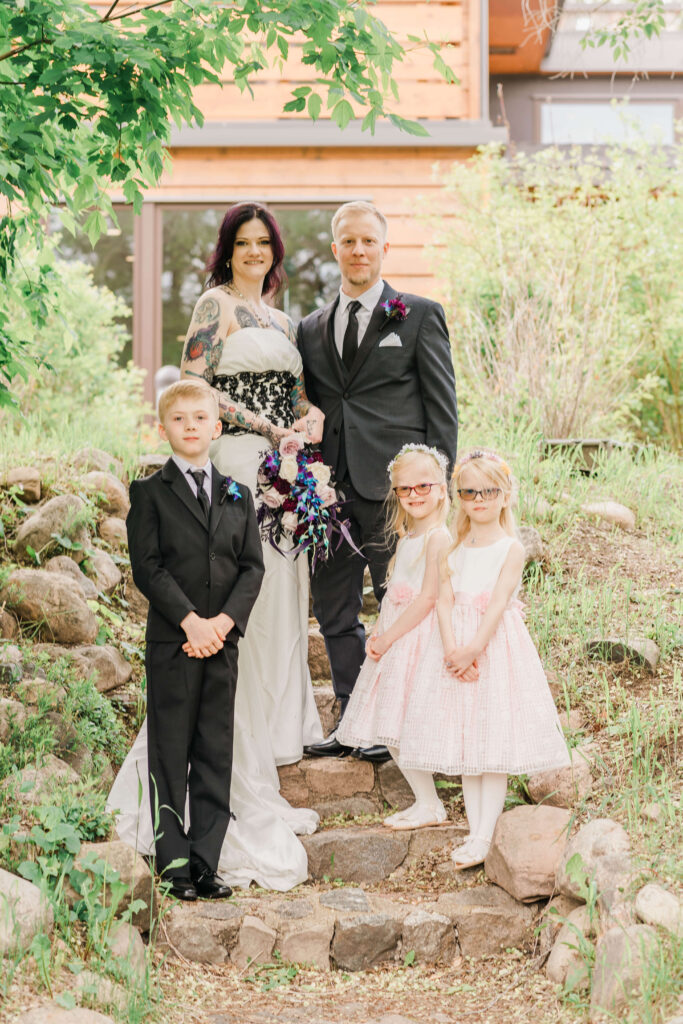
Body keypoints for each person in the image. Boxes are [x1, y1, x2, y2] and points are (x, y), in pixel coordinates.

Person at [109, 203, 326, 893]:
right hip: (231, 460)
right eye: (243, 242)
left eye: (264, 243)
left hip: (278, 472)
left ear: (275, 251)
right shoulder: (214, 305)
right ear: (226, 250)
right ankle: (212, 784)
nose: (254, 252)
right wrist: (262, 426)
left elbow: (295, 397)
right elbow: (192, 390)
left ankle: (255, 766)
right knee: (232, 606)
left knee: (271, 617)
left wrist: (304, 420)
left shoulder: (286, 320)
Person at [297, 200, 459, 762]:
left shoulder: (417, 315)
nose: (359, 250)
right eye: (349, 241)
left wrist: (434, 495)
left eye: (369, 241)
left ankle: (407, 723)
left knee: (403, 603)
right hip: (329, 496)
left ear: (384, 248)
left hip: (398, 499)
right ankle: (352, 721)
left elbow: (442, 411)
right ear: (335, 248)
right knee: (335, 613)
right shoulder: (310, 328)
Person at [123, 380, 264, 900]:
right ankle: (174, 861)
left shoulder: (237, 495)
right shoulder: (149, 493)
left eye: (199, 418)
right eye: (179, 419)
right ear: (164, 428)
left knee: (213, 751)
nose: (189, 426)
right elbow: (148, 568)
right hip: (173, 643)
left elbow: (252, 568)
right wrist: (190, 621)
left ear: (216, 427)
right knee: (170, 751)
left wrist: (223, 624)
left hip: (221, 644)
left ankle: (206, 860)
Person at [399, 449, 571, 869]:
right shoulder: (450, 547)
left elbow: (496, 605)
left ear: (505, 494)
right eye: (469, 491)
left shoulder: (510, 548)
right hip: (454, 648)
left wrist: (473, 649)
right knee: (467, 743)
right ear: (458, 496)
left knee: (490, 743)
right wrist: (453, 648)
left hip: (494, 650)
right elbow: (442, 601)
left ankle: (481, 836)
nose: (478, 499)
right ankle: (477, 832)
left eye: (487, 491)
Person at [337, 444, 469, 829]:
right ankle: (425, 801)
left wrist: (389, 636)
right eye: (404, 489)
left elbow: (428, 598)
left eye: (423, 486)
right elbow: (397, 593)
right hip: (396, 634)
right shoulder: (409, 535)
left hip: (416, 639)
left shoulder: (438, 538)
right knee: (391, 721)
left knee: (406, 720)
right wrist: (380, 628)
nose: (414, 495)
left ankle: (430, 802)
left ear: (443, 489)